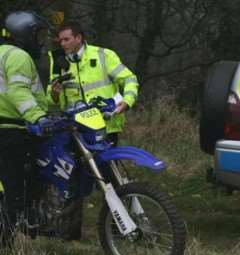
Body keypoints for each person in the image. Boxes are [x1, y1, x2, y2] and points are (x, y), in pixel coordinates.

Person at [0, 11, 54, 240]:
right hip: (12, 129)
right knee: (15, 188)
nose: (40, 41)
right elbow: (19, 92)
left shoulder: (3, 53)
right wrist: (38, 118)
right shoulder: (19, 56)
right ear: (24, 34)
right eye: (37, 35)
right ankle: (6, 241)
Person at [48, 21, 139, 145]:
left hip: (105, 125)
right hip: (76, 131)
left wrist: (127, 101)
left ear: (78, 37)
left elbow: (129, 78)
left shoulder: (103, 55)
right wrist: (54, 94)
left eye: (66, 39)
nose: (62, 44)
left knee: (108, 163)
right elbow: (50, 100)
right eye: (60, 41)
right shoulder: (58, 62)